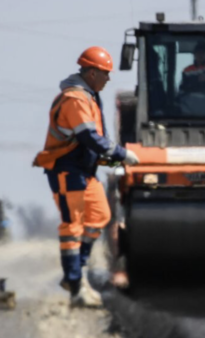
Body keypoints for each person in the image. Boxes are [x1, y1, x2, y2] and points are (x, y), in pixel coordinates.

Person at [33, 47, 140, 308]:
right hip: (67, 171)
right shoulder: (75, 99)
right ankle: (75, 284)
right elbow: (88, 138)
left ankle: (76, 277)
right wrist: (122, 153)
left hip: (83, 172)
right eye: (105, 73)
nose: (108, 79)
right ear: (91, 73)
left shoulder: (89, 97)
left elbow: (91, 144)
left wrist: (114, 160)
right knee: (73, 226)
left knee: (100, 216)